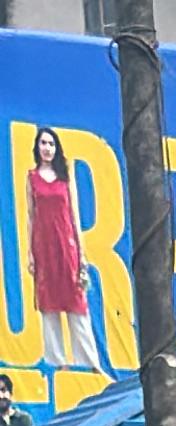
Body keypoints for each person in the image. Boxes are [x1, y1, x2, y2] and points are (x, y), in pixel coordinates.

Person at [27, 129, 98, 375]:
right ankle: (58, 360)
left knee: (76, 300)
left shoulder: (65, 177)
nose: (47, 148)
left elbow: (75, 215)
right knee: (49, 303)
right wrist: (30, 253)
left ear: (56, 148)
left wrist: (82, 253)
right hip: (43, 246)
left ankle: (89, 361)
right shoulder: (32, 177)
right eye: (43, 143)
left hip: (66, 244)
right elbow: (30, 216)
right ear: (37, 147)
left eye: (51, 143)